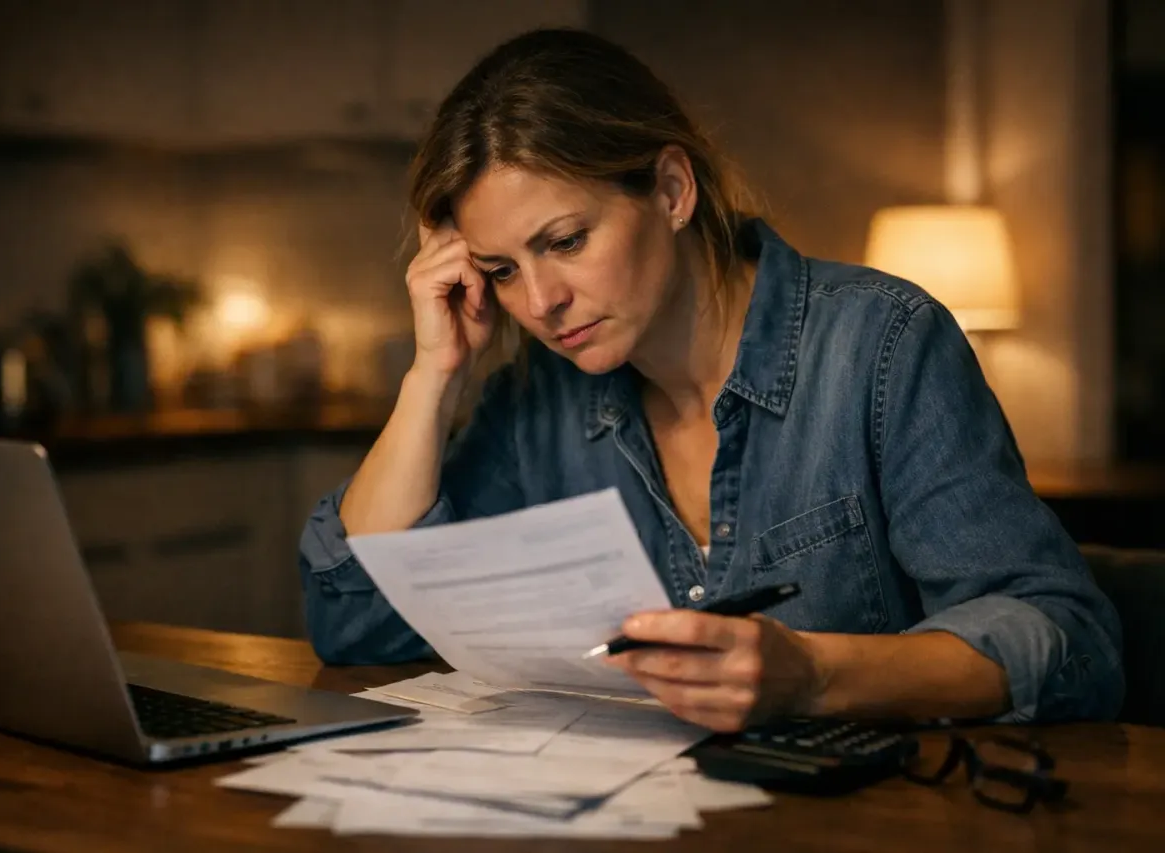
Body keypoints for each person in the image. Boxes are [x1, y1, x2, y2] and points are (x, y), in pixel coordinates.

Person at [299, 28, 1123, 732]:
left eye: (566, 241)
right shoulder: (533, 398)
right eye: (499, 269)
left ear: (670, 189)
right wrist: (432, 374)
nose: (541, 302)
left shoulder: (880, 344)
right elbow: (355, 618)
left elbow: (1063, 636)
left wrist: (812, 672)